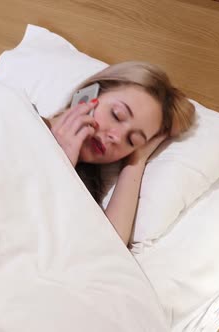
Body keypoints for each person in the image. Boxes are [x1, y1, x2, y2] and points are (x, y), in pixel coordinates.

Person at [43, 61, 195, 246]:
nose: (116, 137)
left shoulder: (83, 191)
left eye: (132, 141)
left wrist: (136, 160)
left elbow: (108, 250)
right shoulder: (15, 112)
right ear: (90, 94)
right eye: (117, 115)